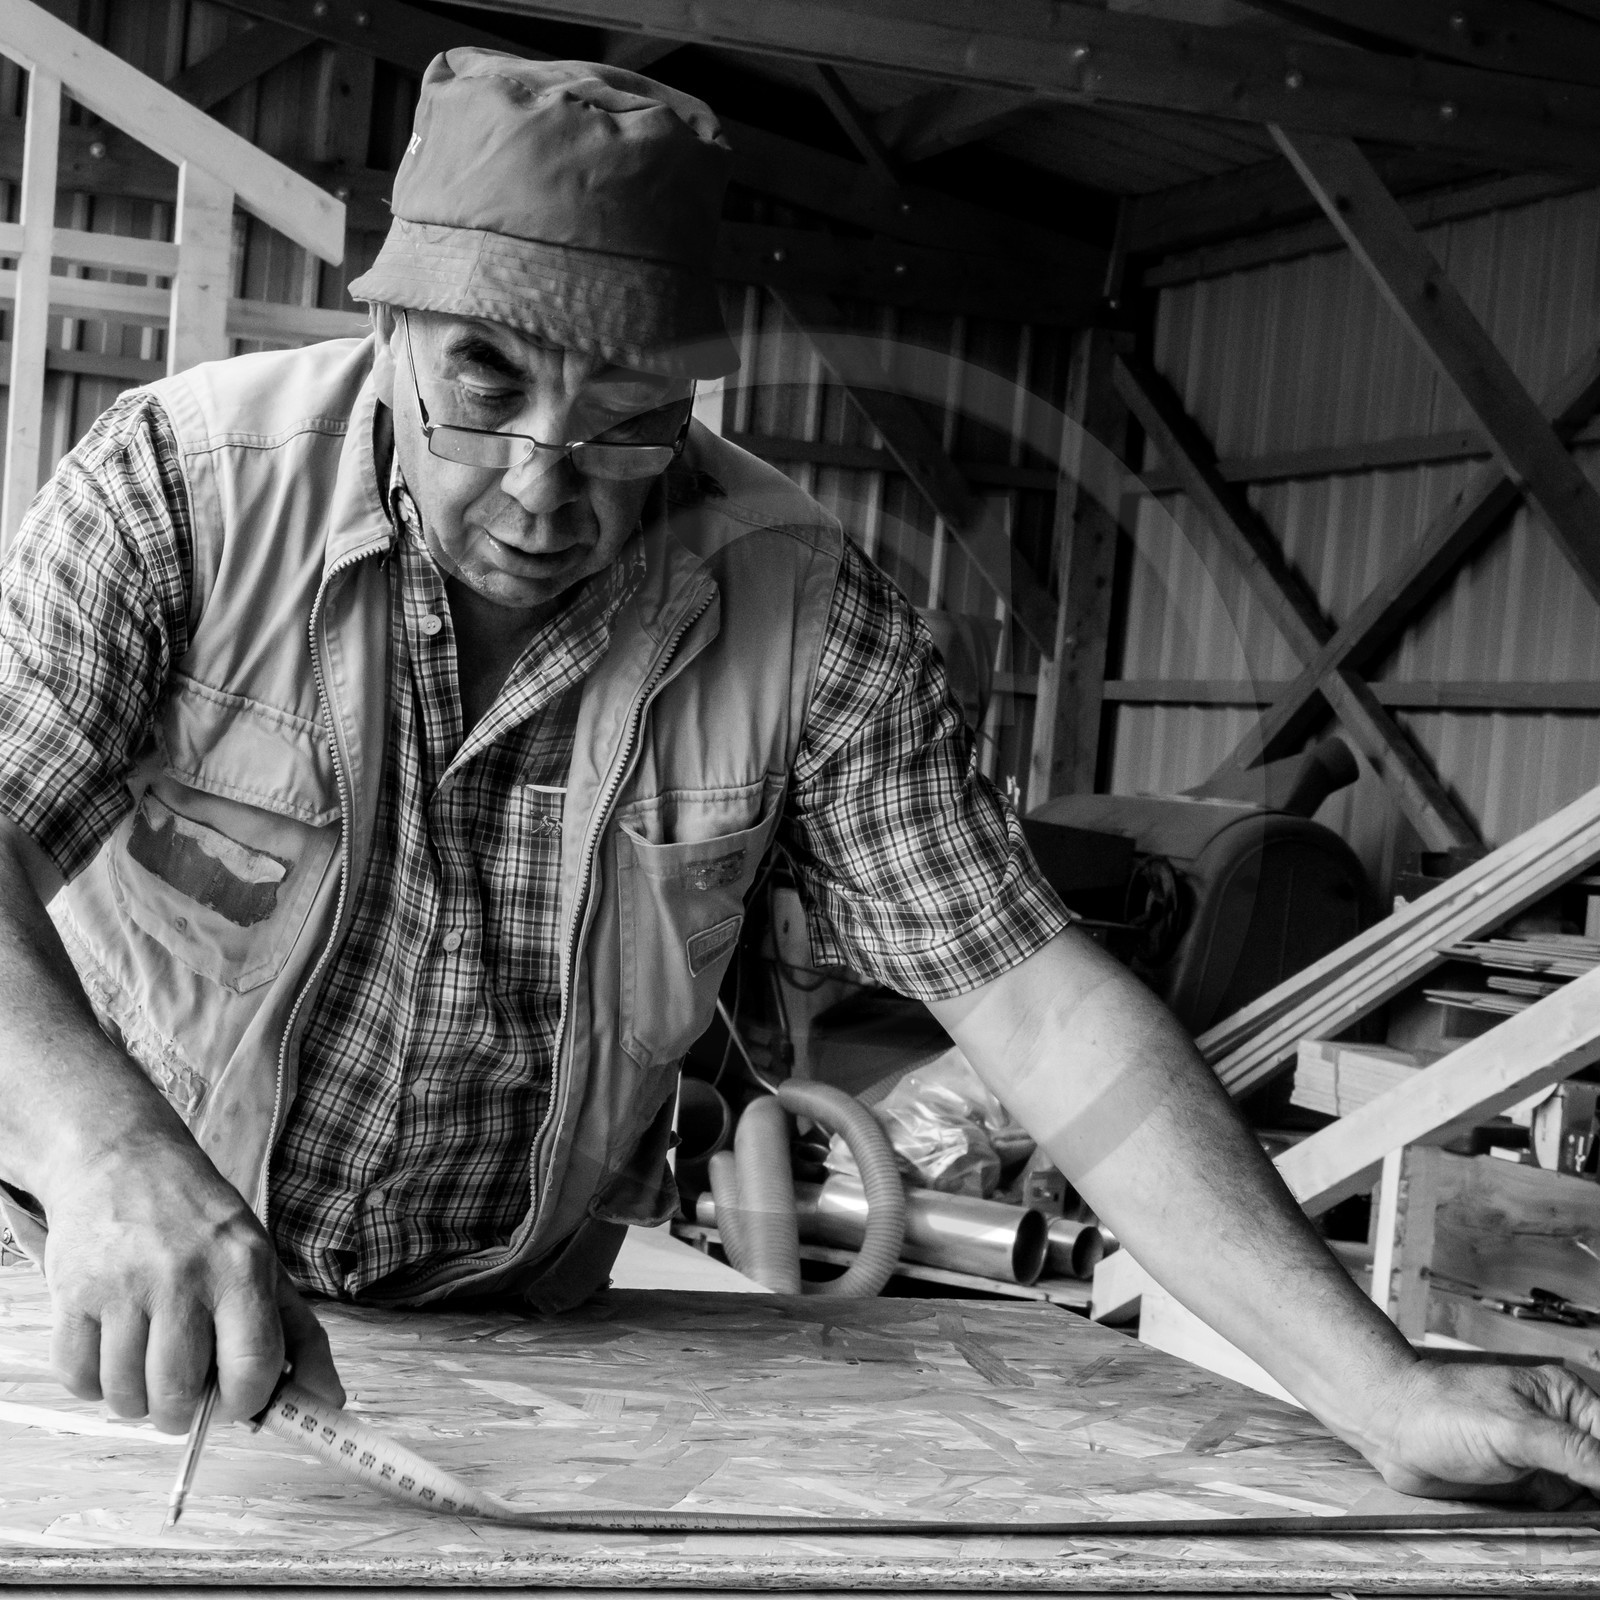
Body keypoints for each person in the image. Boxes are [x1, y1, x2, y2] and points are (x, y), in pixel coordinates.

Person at [0, 48, 1596, 1506]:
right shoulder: (180, 494)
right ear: (388, 320)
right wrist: (108, 1151)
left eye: (626, 422)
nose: (546, 488)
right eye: (485, 387)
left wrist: (1374, 1386)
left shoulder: (809, 613)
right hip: (78, 1296)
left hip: (514, 1345)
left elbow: (1037, 1005)